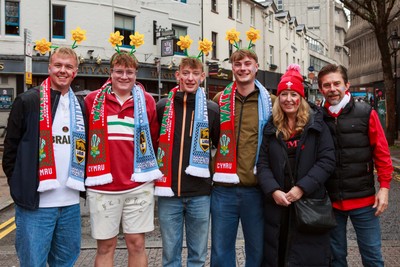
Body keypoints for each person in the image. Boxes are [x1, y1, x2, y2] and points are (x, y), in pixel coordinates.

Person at [3, 46, 87, 266]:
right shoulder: (28, 101)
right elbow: (10, 150)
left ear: (75, 71)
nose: (63, 70)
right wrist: (20, 185)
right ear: (49, 67)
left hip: (70, 204)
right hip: (36, 206)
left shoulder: (80, 105)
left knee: (65, 262)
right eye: (58, 65)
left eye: (68, 66)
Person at [84, 51, 161, 266]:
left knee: (136, 243)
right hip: (103, 186)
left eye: (129, 72)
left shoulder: (146, 101)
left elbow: (153, 140)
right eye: (119, 71)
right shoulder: (92, 100)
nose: (124, 76)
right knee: (105, 246)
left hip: (138, 185)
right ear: (111, 73)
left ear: (136, 74)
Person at [256, 64, 336, 266]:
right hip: (278, 203)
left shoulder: (316, 125)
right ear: (278, 97)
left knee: (306, 256)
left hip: (308, 201)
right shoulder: (271, 126)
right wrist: (273, 190)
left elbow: (327, 161)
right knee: (278, 254)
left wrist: (301, 188)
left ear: (301, 98)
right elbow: (262, 163)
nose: (288, 99)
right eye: (284, 94)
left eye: (293, 94)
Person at [318, 64, 393, 267]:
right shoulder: (317, 118)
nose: (332, 88)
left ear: (347, 85)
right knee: (335, 259)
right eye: (327, 85)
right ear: (320, 89)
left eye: (336, 83)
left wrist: (384, 187)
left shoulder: (366, 112)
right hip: (330, 202)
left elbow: (382, 153)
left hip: (364, 202)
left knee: (372, 257)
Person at [211, 48, 274, 267]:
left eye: (248, 64)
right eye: (238, 64)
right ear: (232, 68)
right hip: (222, 189)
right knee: (220, 250)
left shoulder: (270, 101)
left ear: (256, 67)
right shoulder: (219, 100)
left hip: (256, 189)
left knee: (256, 249)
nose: (243, 68)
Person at [155, 56, 220, 266]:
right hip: (169, 193)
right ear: (177, 76)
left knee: (198, 257)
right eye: (185, 73)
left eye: (195, 74)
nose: (190, 78)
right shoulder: (163, 106)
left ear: (202, 76)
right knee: (170, 257)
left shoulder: (211, 109)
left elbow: (219, 146)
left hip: (200, 194)